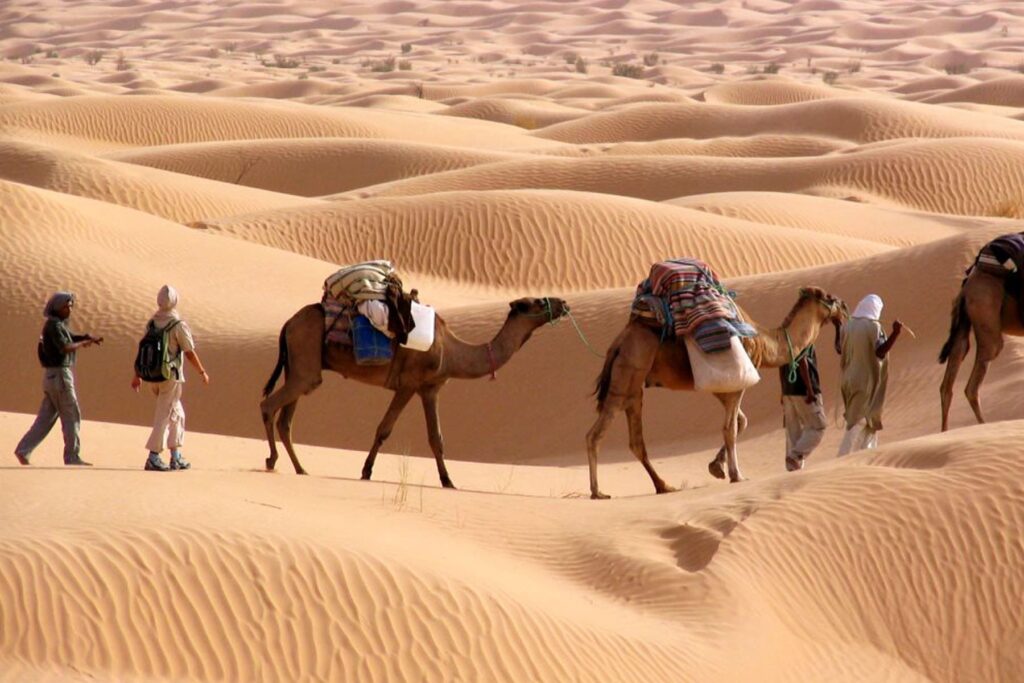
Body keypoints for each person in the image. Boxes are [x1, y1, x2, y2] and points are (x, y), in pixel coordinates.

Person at [14, 291, 103, 466]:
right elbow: (65, 347)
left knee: (45, 419)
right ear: (57, 308)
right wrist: (83, 343)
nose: (69, 309)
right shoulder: (53, 326)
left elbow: (68, 337)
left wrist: (85, 337)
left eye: (70, 306)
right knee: (71, 415)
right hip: (60, 377)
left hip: (52, 377)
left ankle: (23, 450)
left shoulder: (56, 325)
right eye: (66, 307)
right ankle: (72, 457)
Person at [131, 285, 209, 471]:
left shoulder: (152, 323)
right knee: (164, 417)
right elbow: (189, 352)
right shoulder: (177, 325)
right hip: (170, 377)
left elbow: (142, 349)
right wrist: (202, 372)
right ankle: (153, 455)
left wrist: (137, 375)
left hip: (153, 377)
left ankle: (176, 456)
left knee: (177, 415)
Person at [838, 294, 902, 455]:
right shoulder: (874, 327)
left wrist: (836, 326)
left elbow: (839, 348)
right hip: (866, 382)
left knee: (869, 424)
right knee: (858, 423)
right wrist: (895, 333)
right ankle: (840, 461)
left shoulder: (848, 326)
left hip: (849, 381)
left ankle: (866, 460)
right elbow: (880, 351)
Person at [780, 344, 829, 471]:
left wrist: (783, 391)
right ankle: (795, 456)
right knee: (818, 426)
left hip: (788, 390)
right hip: (803, 390)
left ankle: (793, 470)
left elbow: (780, 363)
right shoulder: (804, 333)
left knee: (793, 432)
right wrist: (810, 389)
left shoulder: (786, 336)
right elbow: (803, 360)